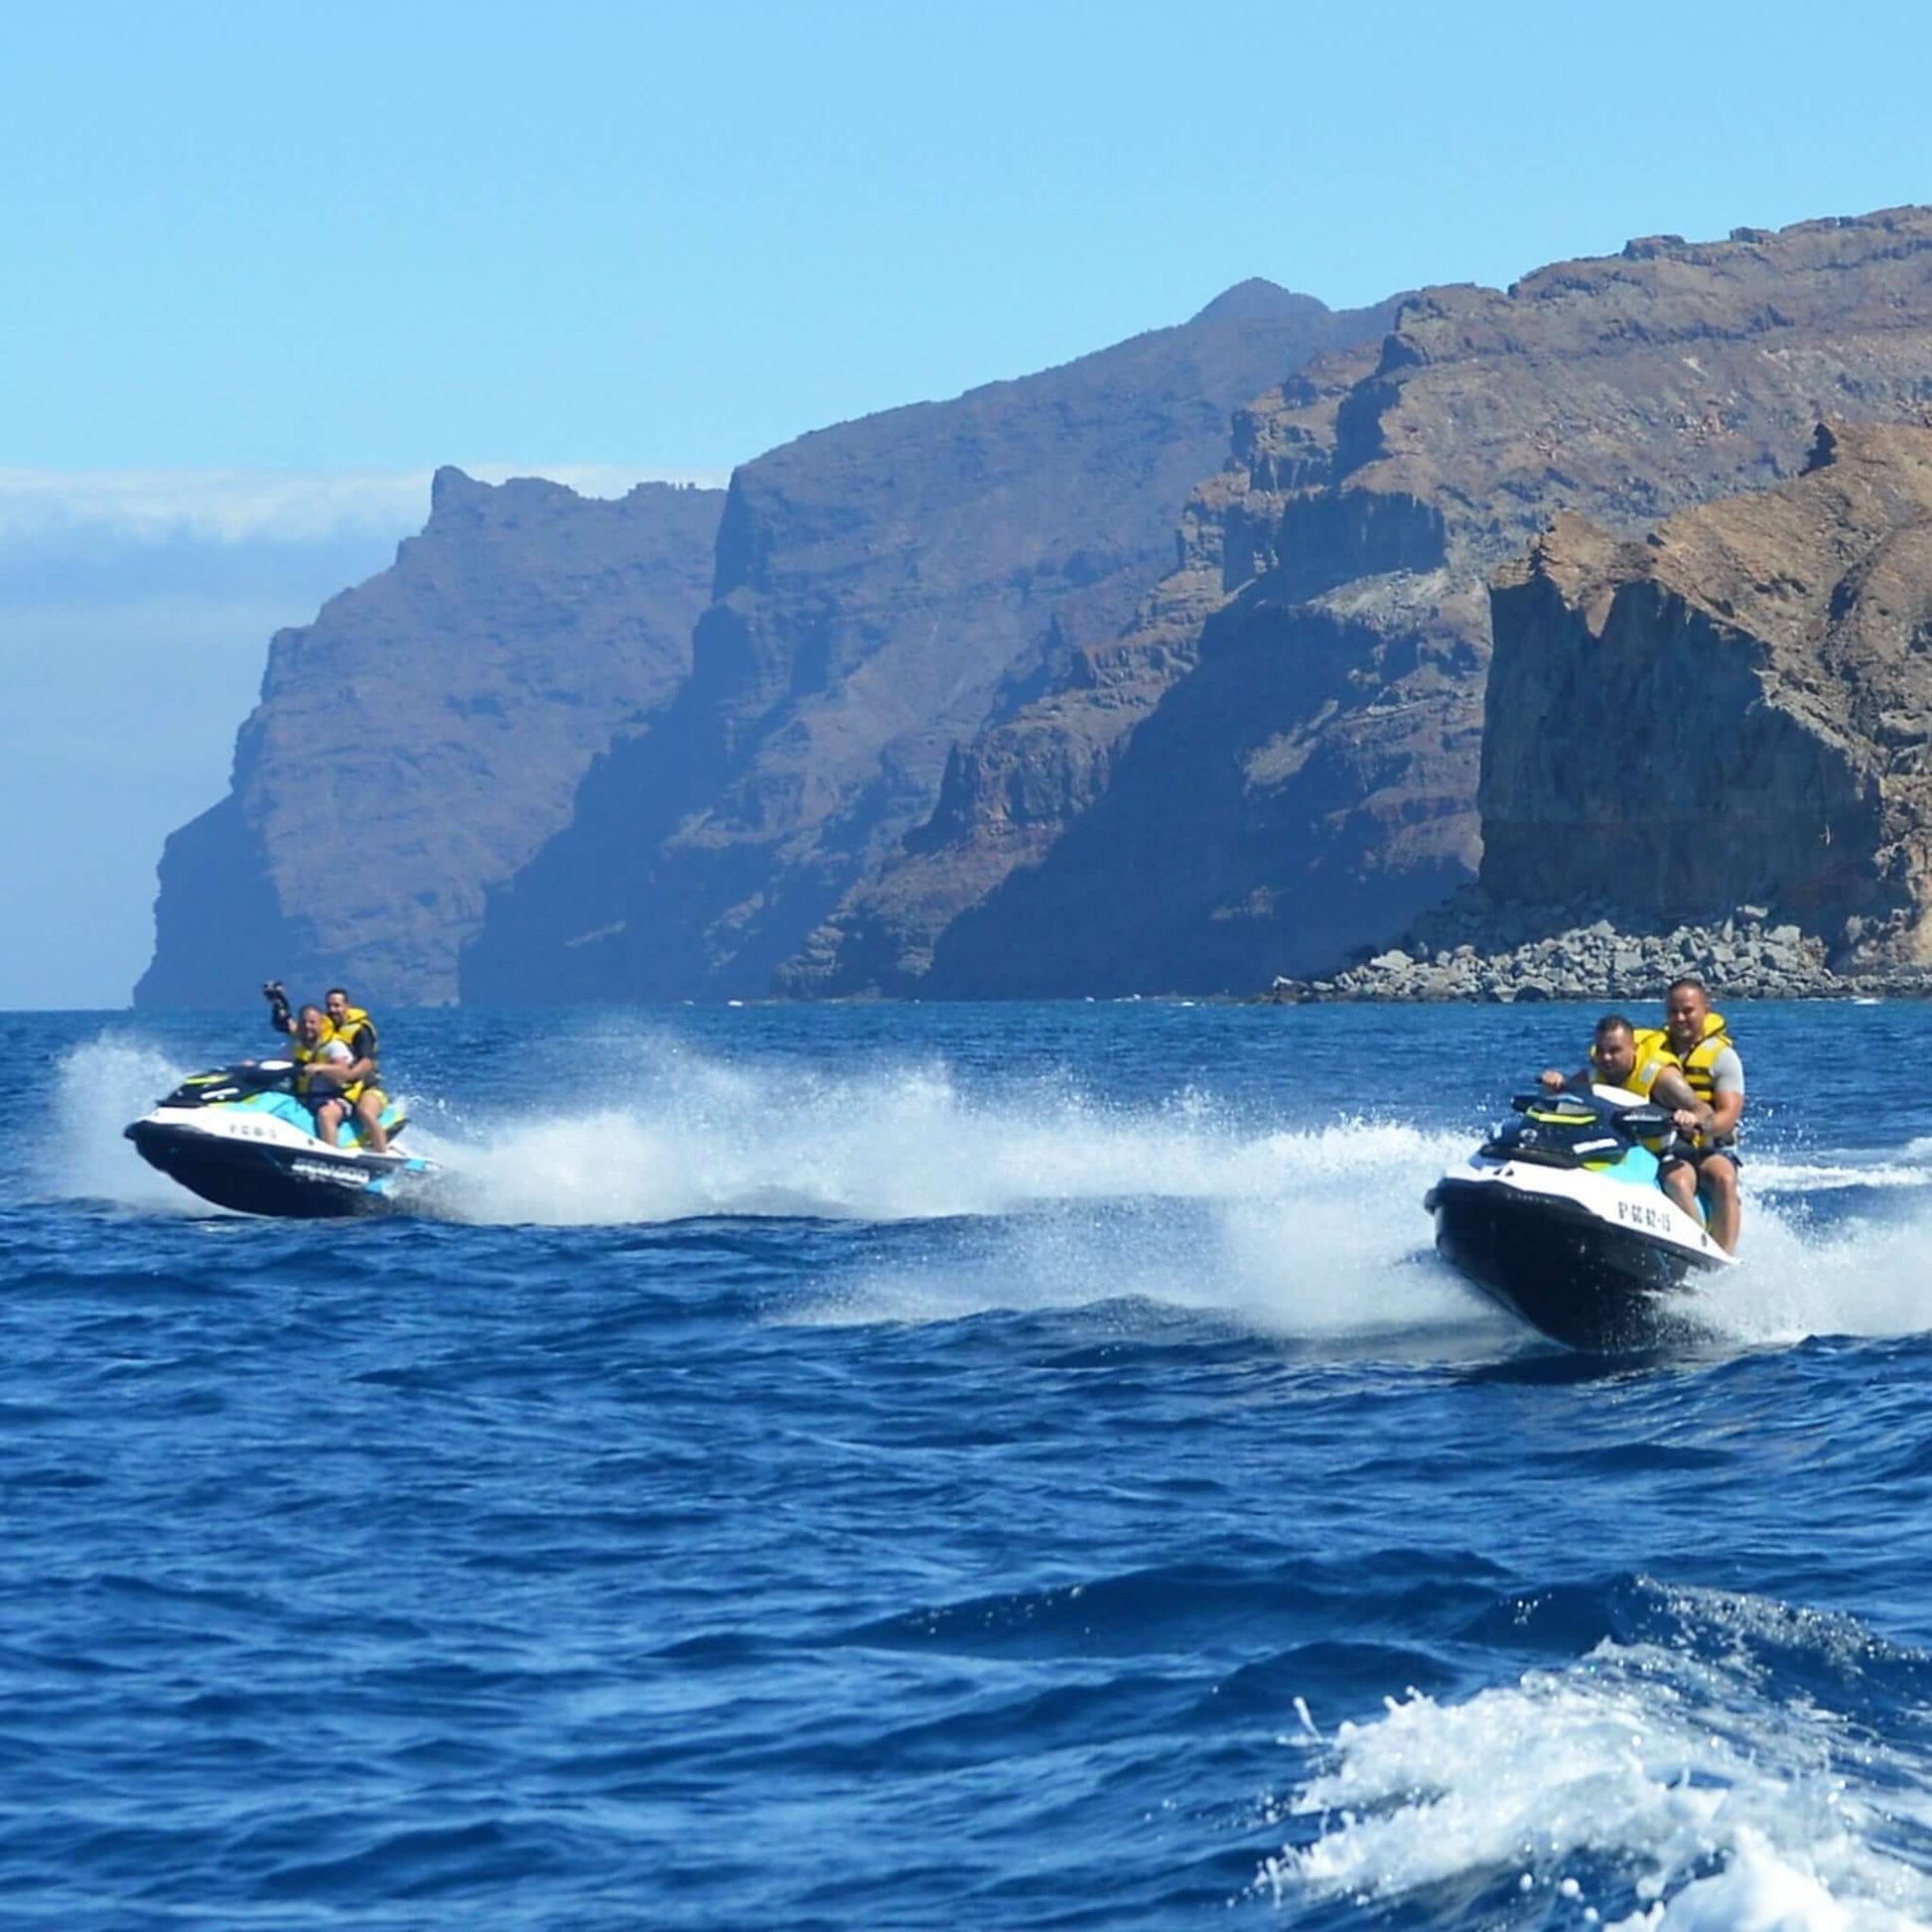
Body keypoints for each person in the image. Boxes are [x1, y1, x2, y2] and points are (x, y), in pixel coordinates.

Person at [1635, 978, 1744, 1254]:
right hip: (1669, 1148)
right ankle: (1696, 1249)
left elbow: (1728, 1116)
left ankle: (1724, 1255)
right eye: (1673, 1012)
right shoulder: (1653, 1051)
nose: (1679, 1018)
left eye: (1687, 1011)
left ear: (1706, 1010)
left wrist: (1699, 1123)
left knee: (1724, 1177)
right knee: (1677, 1181)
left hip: (1710, 1148)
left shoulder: (1723, 1057)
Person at [263, 979, 391, 1154]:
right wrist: (279, 1002)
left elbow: (367, 1061)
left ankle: (382, 1154)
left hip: (366, 1085)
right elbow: (291, 1027)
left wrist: (347, 1075)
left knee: (364, 1112)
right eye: (329, 1006)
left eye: (337, 1006)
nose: (332, 1010)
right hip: (336, 1086)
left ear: (347, 1006)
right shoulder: (325, 1025)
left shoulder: (360, 1030)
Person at [1540, 1013, 1643, 1095]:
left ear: (1634, 1048)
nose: (1606, 1057)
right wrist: (1552, 1086)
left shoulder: (1657, 1081)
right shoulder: (1590, 1077)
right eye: (1600, 1050)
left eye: (1614, 1050)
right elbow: (1559, 1095)